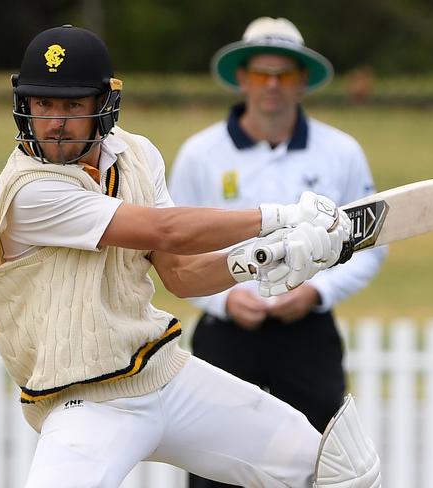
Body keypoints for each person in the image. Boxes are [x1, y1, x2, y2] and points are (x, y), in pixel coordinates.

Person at [0, 24, 380, 488]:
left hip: (163, 374)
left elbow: (182, 273)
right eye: (42, 103)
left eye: (72, 104)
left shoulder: (137, 154)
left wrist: (261, 260)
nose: (55, 122)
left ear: (103, 104)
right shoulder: (29, 191)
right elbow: (166, 229)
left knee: (336, 472)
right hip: (84, 402)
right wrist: (281, 217)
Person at [167, 17, 387, 488]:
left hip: (306, 331)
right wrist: (223, 299)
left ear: (302, 81)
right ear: (242, 77)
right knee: (214, 464)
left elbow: (369, 248)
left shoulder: (341, 152)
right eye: (261, 73)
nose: (272, 85)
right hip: (226, 332)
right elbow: (174, 252)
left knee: (326, 463)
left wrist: (316, 293)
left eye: (284, 75)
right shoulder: (201, 154)